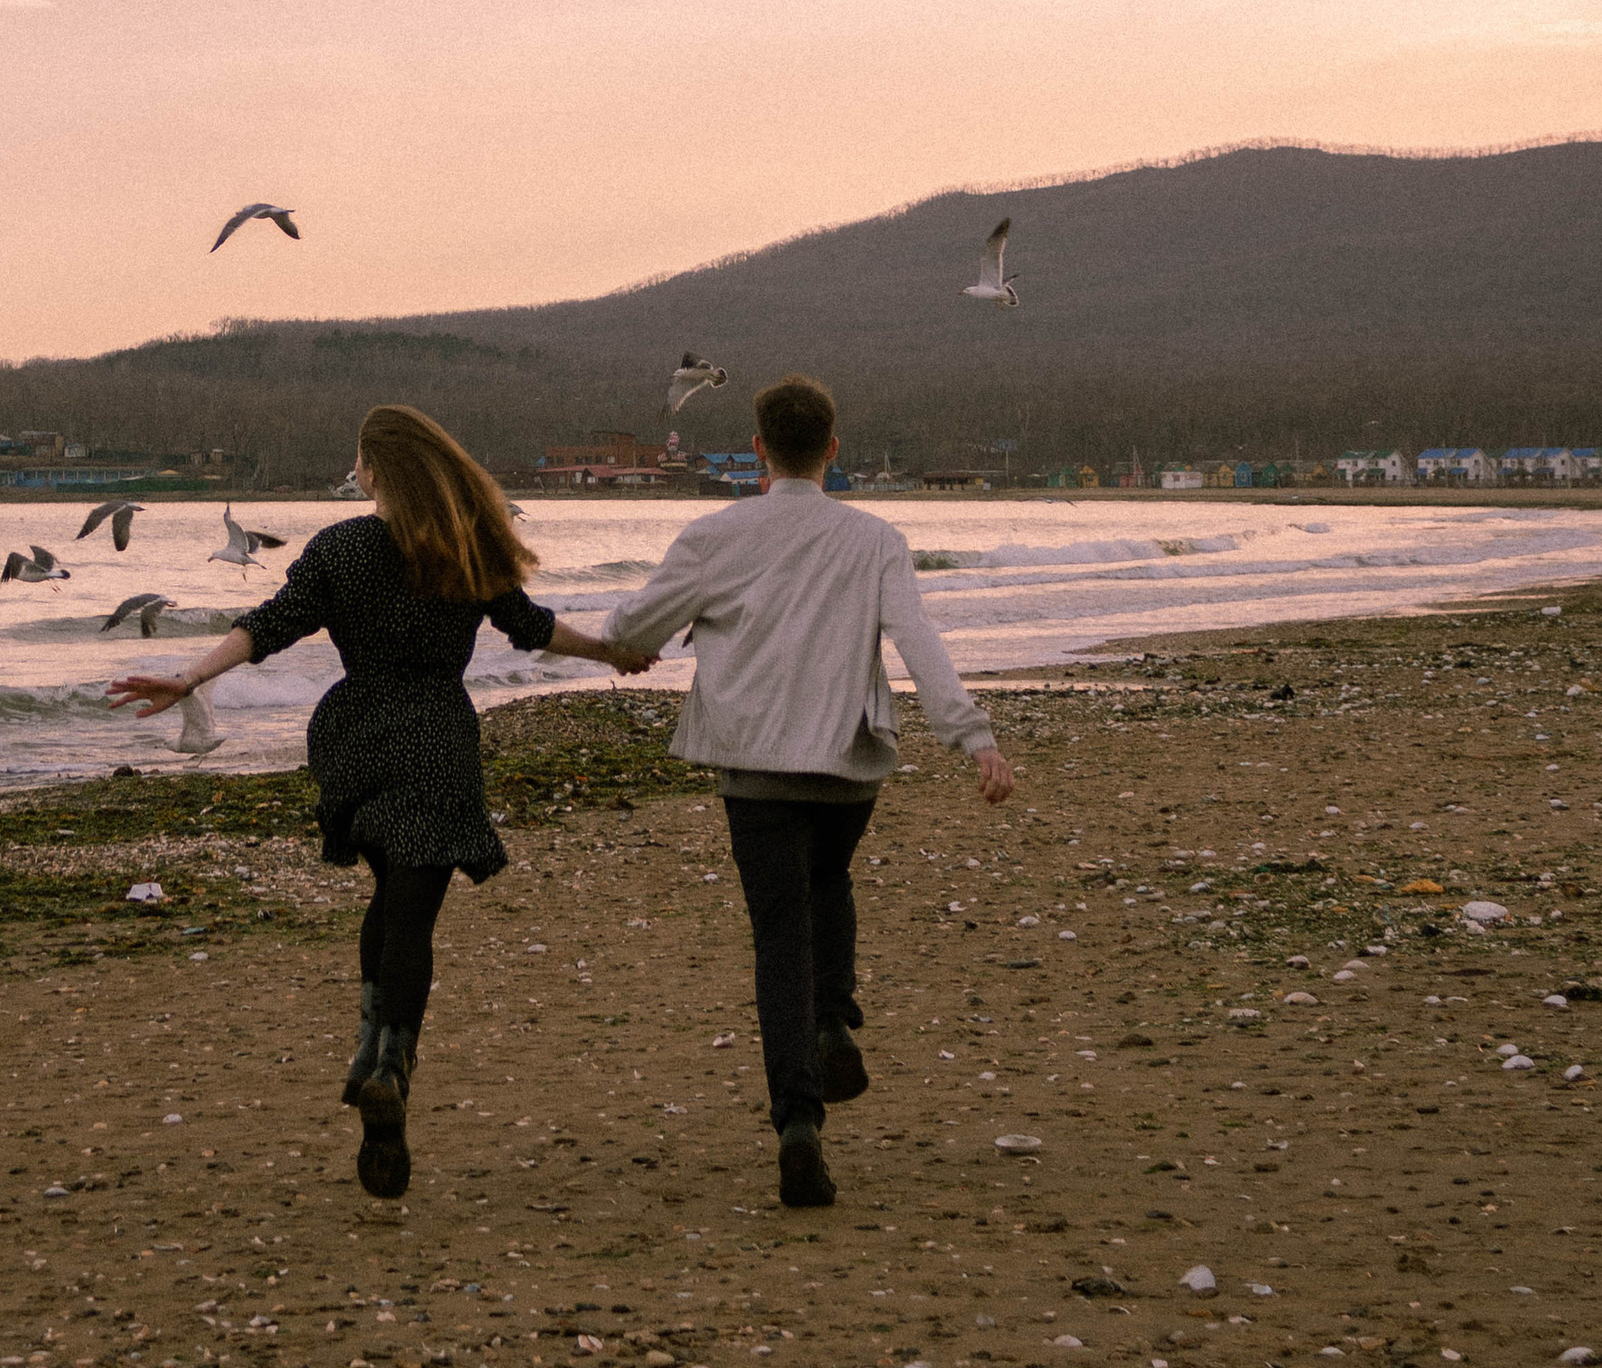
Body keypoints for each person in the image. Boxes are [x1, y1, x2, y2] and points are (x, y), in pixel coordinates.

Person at [107, 404, 629, 1198]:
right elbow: (531, 628)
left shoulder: (340, 548)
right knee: (412, 909)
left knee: (391, 892)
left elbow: (268, 626)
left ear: (375, 470)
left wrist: (189, 677)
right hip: (435, 733)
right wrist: (609, 653)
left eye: (358, 458)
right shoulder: (464, 545)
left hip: (354, 733)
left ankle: (366, 1044)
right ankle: (391, 1062)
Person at [605, 371, 1014, 1210]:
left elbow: (637, 626)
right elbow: (918, 640)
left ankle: (798, 1122)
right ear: (832, 448)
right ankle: (831, 1018)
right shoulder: (874, 539)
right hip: (844, 762)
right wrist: (972, 736)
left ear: (757, 448)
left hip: (754, 763)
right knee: (828, 881)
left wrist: (606, 646)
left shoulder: (713, 536)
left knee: (778, 934)